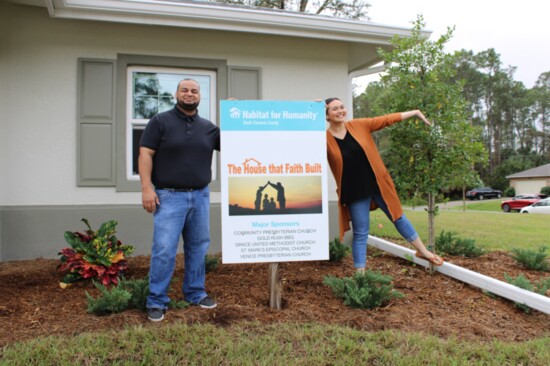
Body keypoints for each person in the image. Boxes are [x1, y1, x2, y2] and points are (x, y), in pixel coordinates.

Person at [325, 97, 443, 272]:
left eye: (342, 107)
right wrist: (311, 109)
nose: (340, 111)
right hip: (355, 192)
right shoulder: (324, 139)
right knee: (360, 233)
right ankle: (361, 277)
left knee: (398, 217)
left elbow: (387, 119)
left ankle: (422, 251)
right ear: (327, 115)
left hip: (378, 185)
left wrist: (415, 112)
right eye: (334, 109)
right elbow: (303, 140)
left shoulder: (359, 125)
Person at [139, 78, 220, 322]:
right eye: (184, 90)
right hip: (168, 196)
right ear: (176, 93)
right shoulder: (160, 122)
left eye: (194, 91)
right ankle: (157, 300)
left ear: (200, 97)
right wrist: (146, 188)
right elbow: (145, 154)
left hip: (200, 195)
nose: (189, 94)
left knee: (198, 247)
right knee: (164, 249)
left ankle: (195, 292)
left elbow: (238, 144)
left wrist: (235, 116)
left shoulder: (209, 128)